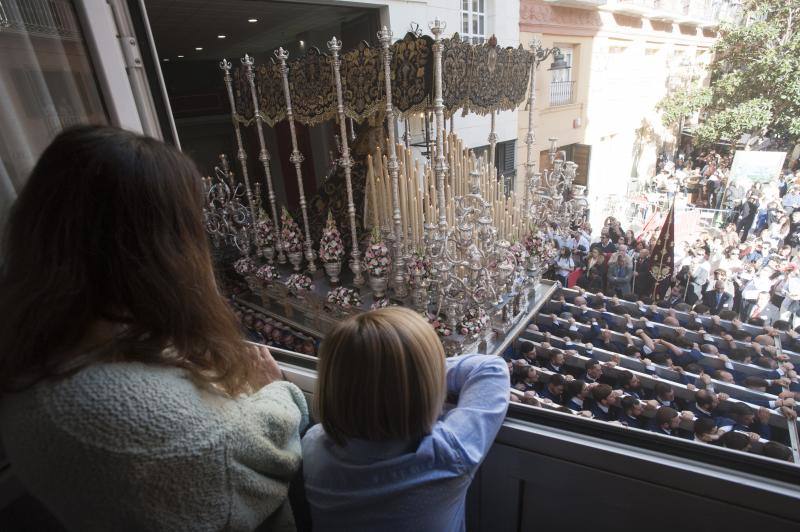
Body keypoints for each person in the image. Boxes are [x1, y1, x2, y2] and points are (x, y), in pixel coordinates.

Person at [0, 126, 309, 531]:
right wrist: (277, 390)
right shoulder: (137, 419)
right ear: (154, 251)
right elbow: (263, 453)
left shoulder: (45, 346)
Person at [302, 307, 509, 532]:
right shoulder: (448, 455)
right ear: (427, 389)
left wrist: (382, 369)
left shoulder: (314, 446)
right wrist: (417, 369)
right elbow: (491, 368)